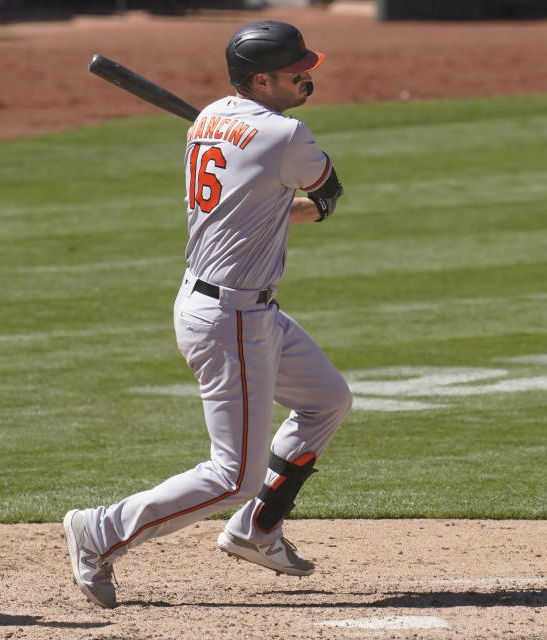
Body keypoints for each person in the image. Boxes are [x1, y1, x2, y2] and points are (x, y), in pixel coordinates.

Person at [63, 20, 352, 609]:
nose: (307, 75)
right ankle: (101, 531)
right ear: (262, 79)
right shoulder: (285, 133)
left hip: (243, 309)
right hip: (231, 321)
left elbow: (266, 204)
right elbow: (324, 191)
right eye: (296, 70)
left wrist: (309, 204)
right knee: (232, 475)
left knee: (326, 399)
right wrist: (324, 203)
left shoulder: (211, 117)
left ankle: (258, 528)